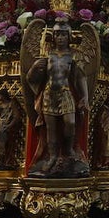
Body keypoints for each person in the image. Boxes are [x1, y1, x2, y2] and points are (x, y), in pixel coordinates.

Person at [26, 21, 91, 177]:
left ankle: (68, 150)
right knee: (51, 128)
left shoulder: (74, 55)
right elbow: (30, 78)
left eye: (63, 34)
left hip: (65, 93)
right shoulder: (47, 55)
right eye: (57, 34)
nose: (60, 38)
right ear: (52, 37)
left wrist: (85, 97)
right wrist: (35, 68)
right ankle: (53, 157)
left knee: (70, 122)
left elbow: (81, 78)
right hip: (49, 94)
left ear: (69, 37)